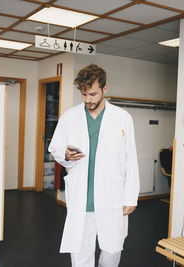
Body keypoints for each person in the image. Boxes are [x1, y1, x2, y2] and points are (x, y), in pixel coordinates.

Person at [48, 63, 140, 267]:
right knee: (80, 251)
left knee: (112, 249)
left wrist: (130, 196)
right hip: (82, 197)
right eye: (84, 95)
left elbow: (130, 159)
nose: (88, 100)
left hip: (112, 197)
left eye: (93, 94)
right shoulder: (70, 117)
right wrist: (65, 154)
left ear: (104, 89)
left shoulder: (122, 118)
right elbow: (55, 148)